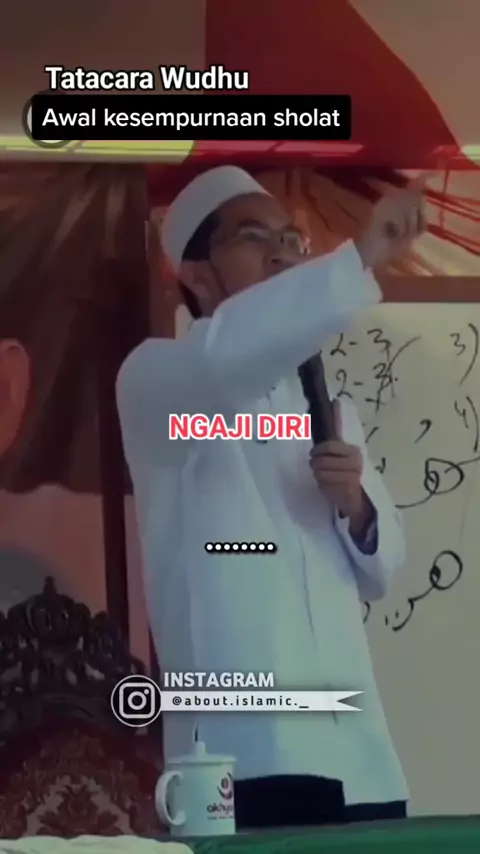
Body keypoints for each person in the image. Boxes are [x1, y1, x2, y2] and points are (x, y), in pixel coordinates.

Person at [116, 166, 426, 828]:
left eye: (291, 239)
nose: (283, 254)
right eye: (255, 238)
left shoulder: (328, 406)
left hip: (359, 748)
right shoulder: (159, 381)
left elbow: (383, 569)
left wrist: (357, 508)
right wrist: (362, 255)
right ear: (196, 274)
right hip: (246, 752)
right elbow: (230, 357)